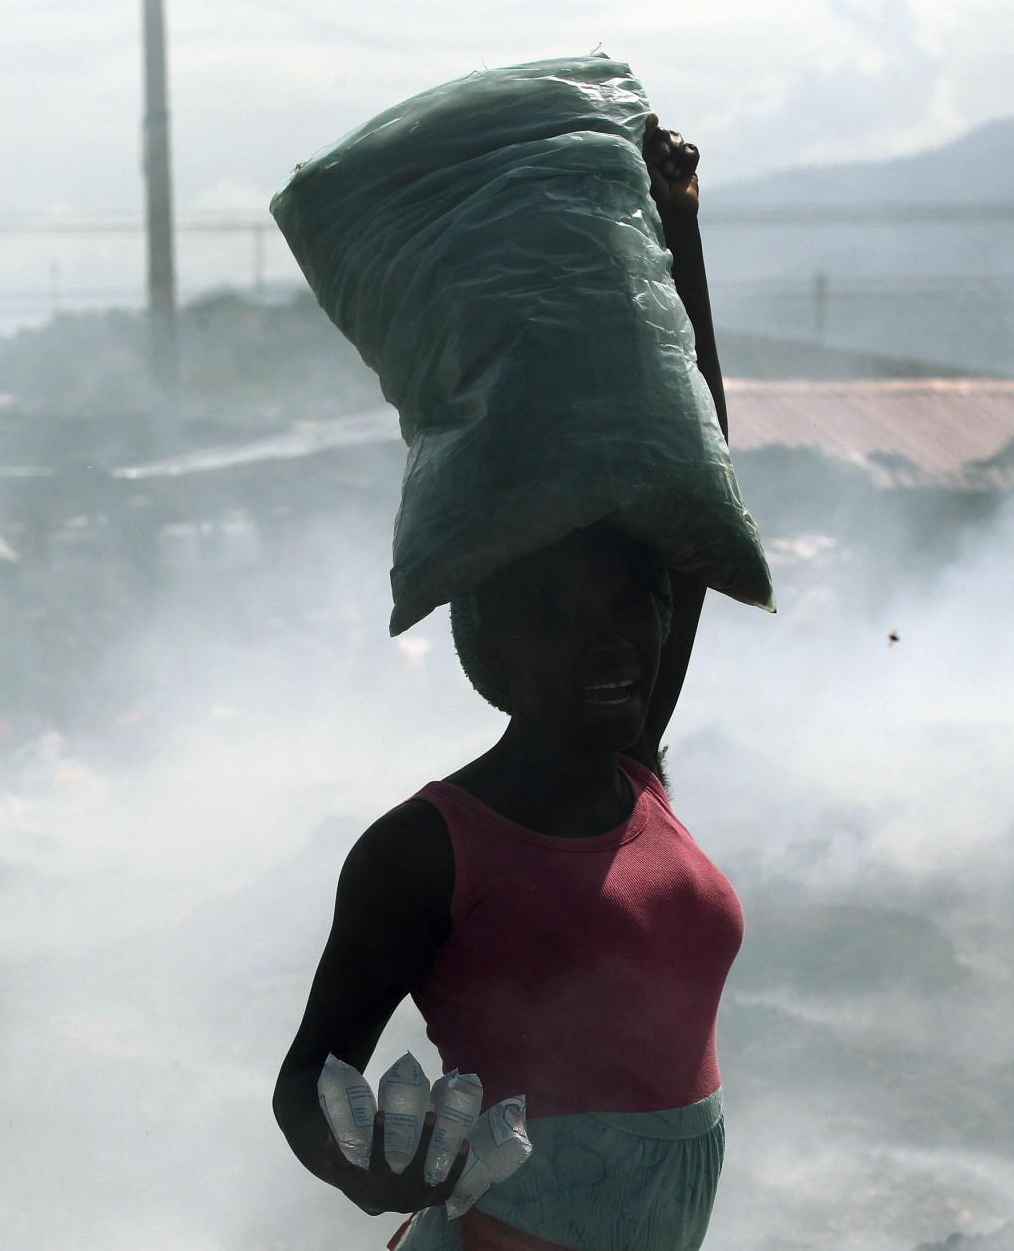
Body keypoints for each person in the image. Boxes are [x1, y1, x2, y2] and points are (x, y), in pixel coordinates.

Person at [273, 115, 744, 1251]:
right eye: (563, 616)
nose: (615, 640)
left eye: (631, 605)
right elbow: (305, 1084)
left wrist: (677, 236)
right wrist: (367, 1172)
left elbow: (697, 491)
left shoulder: (636, 775)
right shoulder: (424, 850)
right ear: (495, 642)